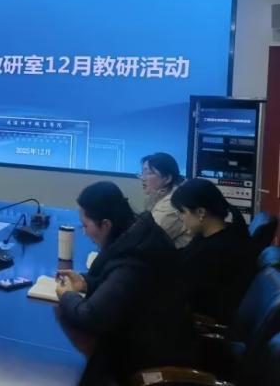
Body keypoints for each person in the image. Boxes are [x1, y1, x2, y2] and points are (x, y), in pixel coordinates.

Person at [56, 181, 193, 384]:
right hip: (155, 335)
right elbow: (126, 290)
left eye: (85, 225)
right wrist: (87, 283)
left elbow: (91, 317)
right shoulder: (140, 234)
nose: (84, 232)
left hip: (148, 357)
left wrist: (67, 295)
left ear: (106, 225)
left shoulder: (133, 259)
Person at [171, 178, 253, 323]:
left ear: (201, 212)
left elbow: (185, 288)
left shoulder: (218, 251)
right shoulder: (213, 235)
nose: (181, 218)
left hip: (201, 323)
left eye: (182, 212)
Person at [140, 152, 191, 248]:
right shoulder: (162, 196)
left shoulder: (172, 205)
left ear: (167, 178)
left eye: (149, 173)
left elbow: (144, 241)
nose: (142, 178)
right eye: (142, 172)